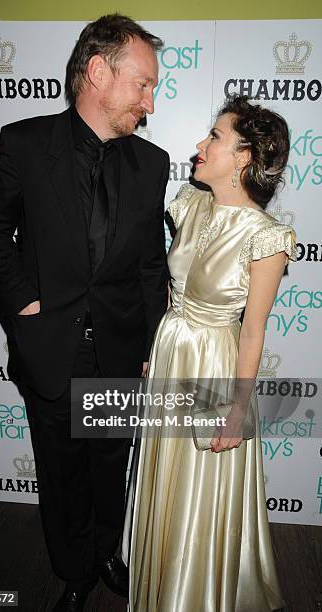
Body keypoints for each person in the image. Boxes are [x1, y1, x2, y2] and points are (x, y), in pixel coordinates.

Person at [0, 14, 169, 612]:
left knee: (111, 467)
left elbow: (149, 267)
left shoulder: (150, 164)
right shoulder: (25, 144)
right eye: (142, 85)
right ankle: (73, 572)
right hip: (51, 347)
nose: (150, 103)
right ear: (98, 72)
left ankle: (107, 551)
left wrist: (148, 346)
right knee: (62, 476)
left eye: (153, 89)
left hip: (117, 349)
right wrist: (24, 305)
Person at [125, 95, 297, 611]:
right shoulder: (190, 203)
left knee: (202, 489)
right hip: (172, 351)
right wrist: (158, 349)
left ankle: (195, 596)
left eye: (215, 137)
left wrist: (237, 412)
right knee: (168, 480)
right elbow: (166, 285)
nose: (200, 146)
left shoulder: (267, 237)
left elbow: (251, 334)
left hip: (213, 367)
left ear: (244, 157)